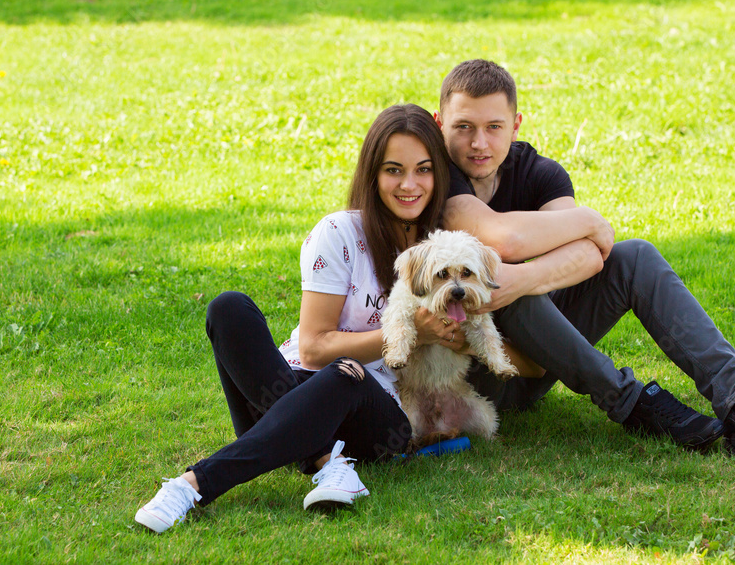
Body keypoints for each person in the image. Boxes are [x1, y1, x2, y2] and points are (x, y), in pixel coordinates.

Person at [135, 104, 542, 534]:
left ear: (438, 176)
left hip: (379, 412)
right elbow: (311, 347)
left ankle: (193, 484)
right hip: (285, 387)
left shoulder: (445, 251)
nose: (409, 184)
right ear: (372, 175)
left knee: (344, 374)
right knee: (227, 307)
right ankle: (328, 461)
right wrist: (410, 334)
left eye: (423, 170)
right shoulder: (339, 234)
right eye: (393, 170)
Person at [434, 58, 735, 456]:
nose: (479, 143)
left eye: (494, 127)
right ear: (440, 124)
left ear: (516, 124)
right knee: (503, 282)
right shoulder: (434, 176)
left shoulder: (541, 173)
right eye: (464, 127)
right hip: (476, 381)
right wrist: (587, 221)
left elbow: (589, 257)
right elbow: (502, 240)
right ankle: (630, 401)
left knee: (634, 257)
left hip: (542, 359)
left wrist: (522, 280)